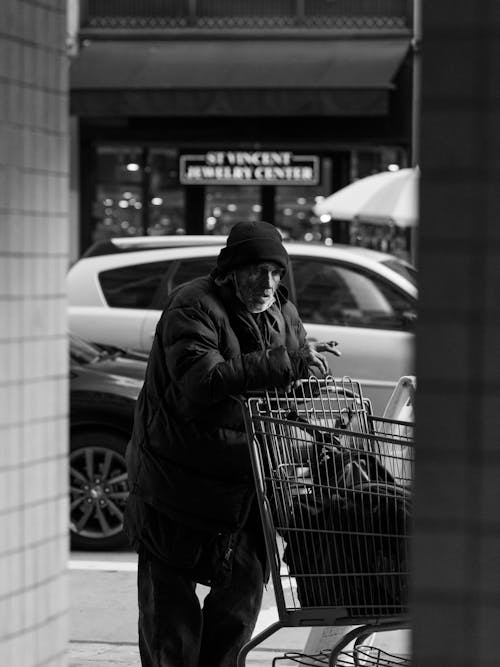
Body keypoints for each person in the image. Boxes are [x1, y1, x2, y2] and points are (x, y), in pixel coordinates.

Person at [124, 221, 339, 667]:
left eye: (275, 272)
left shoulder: (280, 309)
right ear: (230, 271)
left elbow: (288, 375)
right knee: (170, 617)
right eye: (256, 270)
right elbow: (204, 381)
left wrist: (312, 374)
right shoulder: (192, 306)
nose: (267, 283)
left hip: (244, 484)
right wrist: (288, 363)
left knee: (240, 604)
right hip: (175, 482)